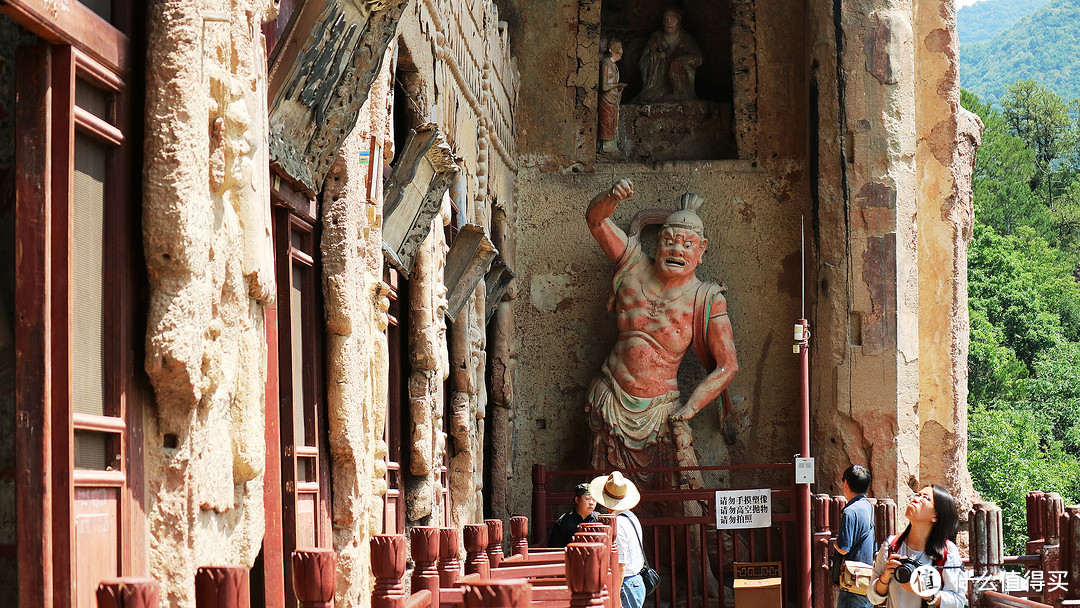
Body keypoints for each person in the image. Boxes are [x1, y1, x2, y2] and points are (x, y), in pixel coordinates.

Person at [585, 178, 738, 489]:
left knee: (675, 495)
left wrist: (689, 409)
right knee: (606, 495)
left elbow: (728, 365)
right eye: (669, 241)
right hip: (611, 398)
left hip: (662, 412)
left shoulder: (706, 298)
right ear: (657, 244)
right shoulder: (633, 266)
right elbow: (596, 220)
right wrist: (612, 197)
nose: (676, 249)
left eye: (687, 244)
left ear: (701, 250)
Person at [867, 485, 966, 608]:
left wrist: (926, 593)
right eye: (917, 495)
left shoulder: (946, 551)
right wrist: (885, 577)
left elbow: (958, 601)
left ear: (936, 516)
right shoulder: (892, 545)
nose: (915, 499)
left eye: (926, 498)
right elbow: (872, 598)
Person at [590, 471, 645, 608]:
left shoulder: (618, 524)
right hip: (635, 580)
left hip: (626, 583)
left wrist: (615, 593)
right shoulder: (631, 516)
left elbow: (621, 564)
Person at [633, 8, 703, 103]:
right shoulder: (656, 37)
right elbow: (642, 62)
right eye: (665, 20)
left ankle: (678, 94)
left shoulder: (686, 38)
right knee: (647, 97)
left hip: (679, 84)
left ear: (679, 20)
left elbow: (699, 59)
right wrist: (656, 57)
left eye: (672, 20)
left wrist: (682, 60)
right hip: (658, 86)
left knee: (681, 95)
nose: (668, 23)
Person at [834, 465, 874, 608]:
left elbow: (844, 548)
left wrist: (834, 543)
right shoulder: (868, 506)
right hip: (866, 577)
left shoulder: (849, 512)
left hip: (852, 579)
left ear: (846, 483)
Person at [598, 39, 628, 154]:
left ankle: (612, 146)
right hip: (606, 99)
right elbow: (604, 86)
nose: (621, 53)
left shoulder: (614, 66)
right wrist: (617, 85)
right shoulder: (605, 63)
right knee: (606, 122)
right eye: (620, 50)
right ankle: (605, 147)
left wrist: (618, 88)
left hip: (614, 98)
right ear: (615, 51)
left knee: (613, 122)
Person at [547, 482, 599, 548]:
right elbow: (554, 547)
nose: (591, 503)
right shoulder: (564, 521)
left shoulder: (599, 519)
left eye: (594, 499)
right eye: (587, 499)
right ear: (577, 500)